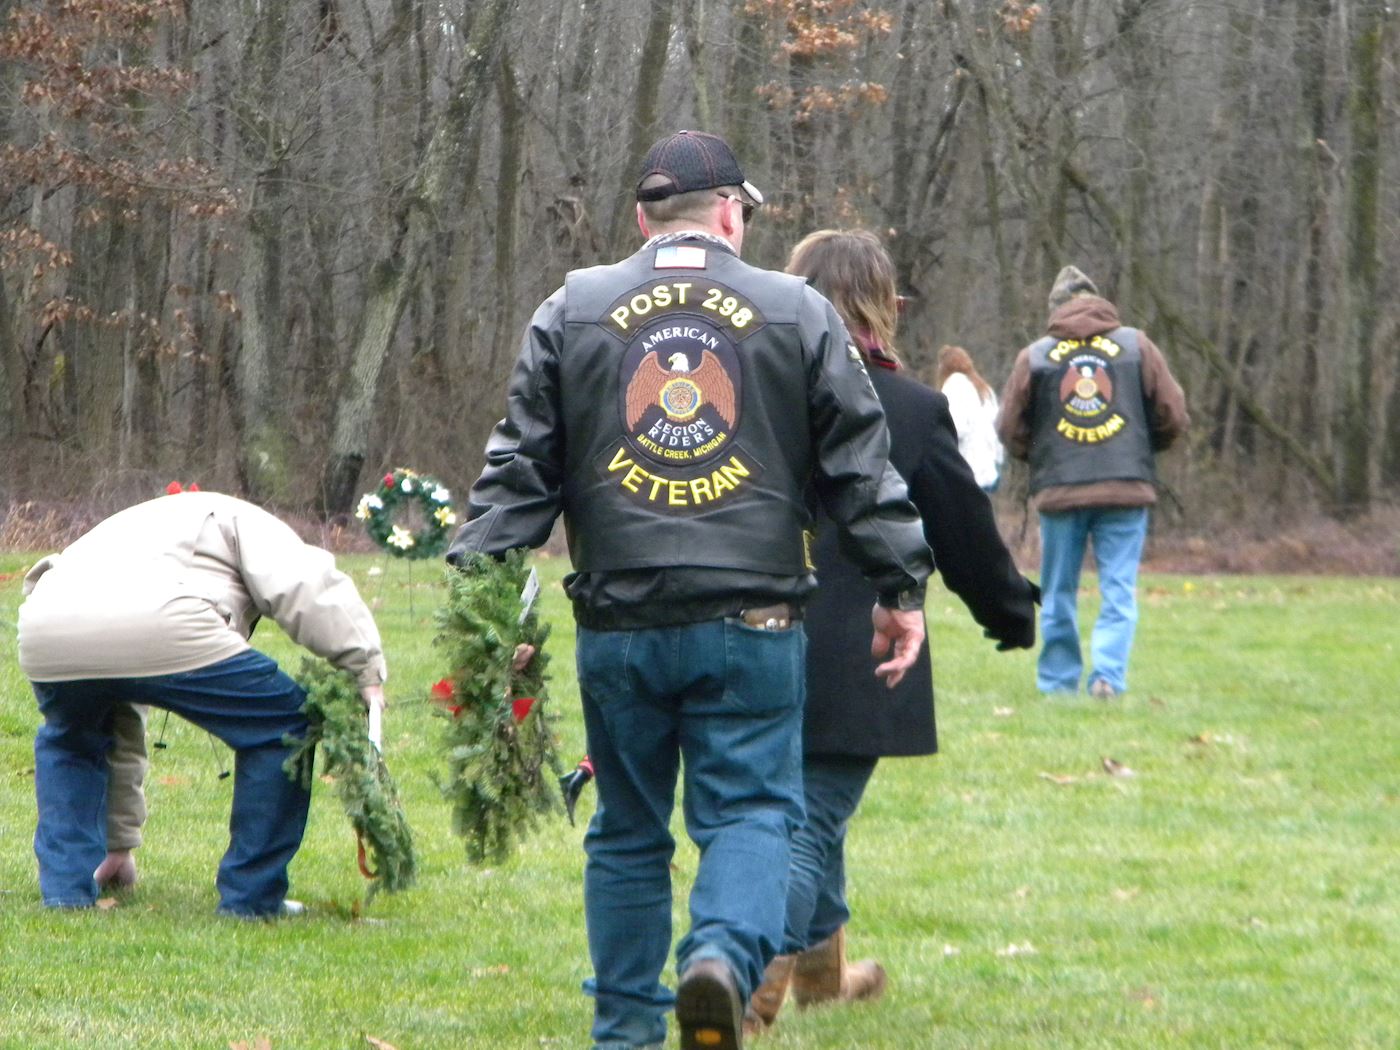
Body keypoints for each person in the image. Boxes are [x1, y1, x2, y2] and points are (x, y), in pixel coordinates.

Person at [446, 130, 934, 1050]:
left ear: (642, 217)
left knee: (628, 831)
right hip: (752, 617)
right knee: (750, 812)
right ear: (729, 213)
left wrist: (483, 588)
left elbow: (518, 474)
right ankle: (716, 960)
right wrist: (898, 587)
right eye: (744, 213)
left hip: (618, 621)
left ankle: (625, 1032)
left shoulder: (572, 306)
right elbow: (860, 467)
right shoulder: (796, 309)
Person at [743, 230, 1038, 1034]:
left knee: (804, 811)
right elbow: (963, 530)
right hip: (857, 649)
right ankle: (745, 991)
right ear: (881, 306)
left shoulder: (746, 391)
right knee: (809, 823)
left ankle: (825, 975)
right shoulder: (907, 407)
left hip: (739, 636)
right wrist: (1012, 613)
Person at [18, 489, 387, 917]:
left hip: (47, 625)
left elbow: (120, 728)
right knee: (285, 724)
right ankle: (252, 898)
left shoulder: (125, 524)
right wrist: (365, 668)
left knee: (73, 743)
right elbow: (305, 583)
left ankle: (67, 891)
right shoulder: (237, 516)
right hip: (162, 620)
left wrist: (119, 846)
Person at [997, 265, 1189, 699]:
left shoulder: (1037, 355)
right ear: (1097, 302)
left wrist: (1039, 453)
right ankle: (1107, 678)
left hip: (1060, 490)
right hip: (1125, 485)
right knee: (1118, 590)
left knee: (1059, 591)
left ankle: (1058, 683)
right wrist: (1142, 445)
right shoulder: (1137, 346)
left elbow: (1009, 427)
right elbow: (1173, 413)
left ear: (1055, 309)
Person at [936, 344, 1005, 492]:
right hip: (987, 470)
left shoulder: (955, 385)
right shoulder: (985, 389)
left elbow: (956, 428)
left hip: (965, 469)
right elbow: (998, 430)